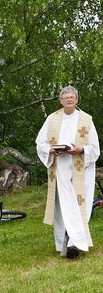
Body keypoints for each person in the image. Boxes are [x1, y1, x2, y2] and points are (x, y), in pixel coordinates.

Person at [35, 85, 100, 259]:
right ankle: (63, 243)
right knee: (63, 206)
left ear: (77, 100)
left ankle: (74, 243)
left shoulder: (86, 119)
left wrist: (81, 149)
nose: (69, 100)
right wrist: (50, 150)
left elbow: (95, 148)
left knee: (79, 205)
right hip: (60, 169)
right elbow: (40, 143)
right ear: (61, 100)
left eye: (72, 97)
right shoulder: (52, 119)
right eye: (65, 98)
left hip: (81, 169)